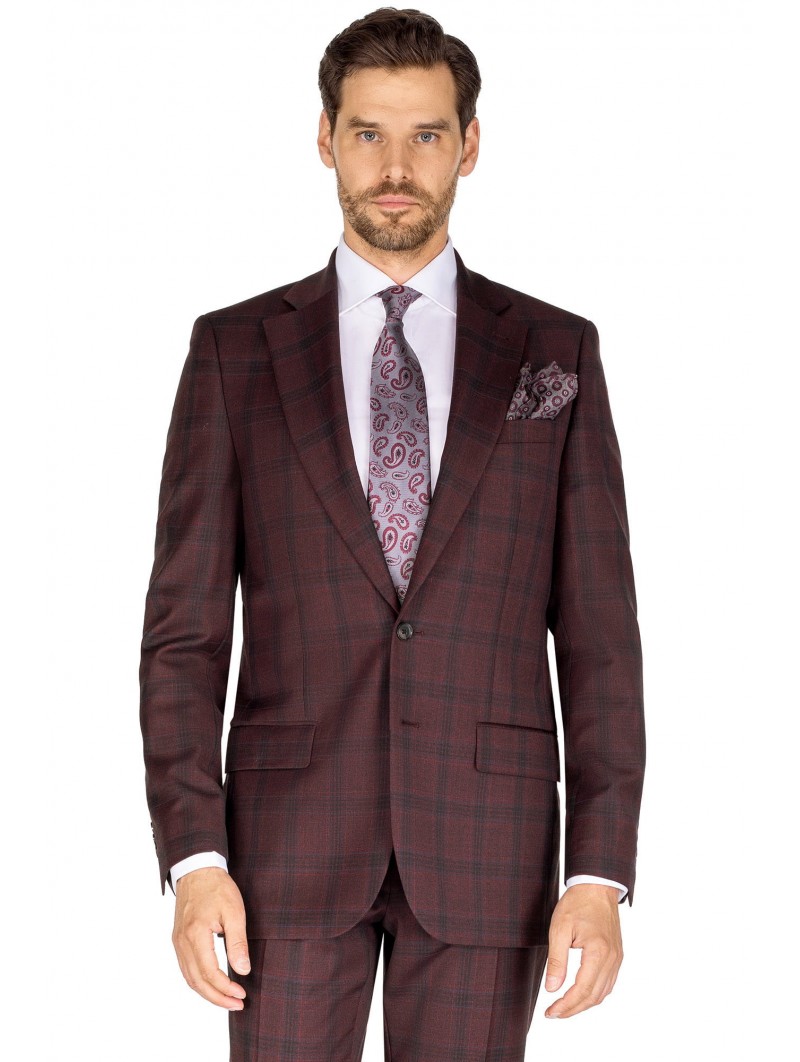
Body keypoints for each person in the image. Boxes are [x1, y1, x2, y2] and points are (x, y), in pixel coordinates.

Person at [139, 8, 646, 1059]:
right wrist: (194, 857)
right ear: (325, 139)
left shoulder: (554, 352)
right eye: (369, 133)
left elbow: (601, 640)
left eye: (426, 135)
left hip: (489, 847)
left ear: (470, 144)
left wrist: (598, 873)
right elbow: (184, 635)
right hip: (281, 854)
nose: (396, 168)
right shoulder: (235, 352)